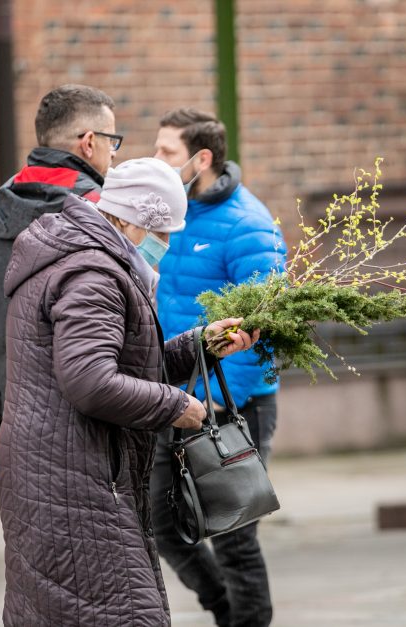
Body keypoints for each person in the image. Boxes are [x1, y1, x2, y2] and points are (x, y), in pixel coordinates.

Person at [0, 157, 259, 625]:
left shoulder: (80, 256)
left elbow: (124, 362)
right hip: (78, 481)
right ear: (131, 220)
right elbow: (91, 381)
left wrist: (202, 345)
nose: (168, 243)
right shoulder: (93, 274)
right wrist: (177, 405)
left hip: (69, 474)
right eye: (163, 231)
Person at [150, 108, 286, 627]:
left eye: (167, 151)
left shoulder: (248, 226)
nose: (156, 158)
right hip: (171, 394)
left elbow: (264, 330)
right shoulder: (169, 212)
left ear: (200, 158)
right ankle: (227, 610)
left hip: (230, 403)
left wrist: (212, 401)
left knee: (233, 532)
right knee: (162, 523)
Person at [0, 84, 120, 493]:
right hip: (94, 419)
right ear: (89, 143)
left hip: (19, 423)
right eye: (112, 141)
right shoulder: (103, 214)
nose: (114, 153)